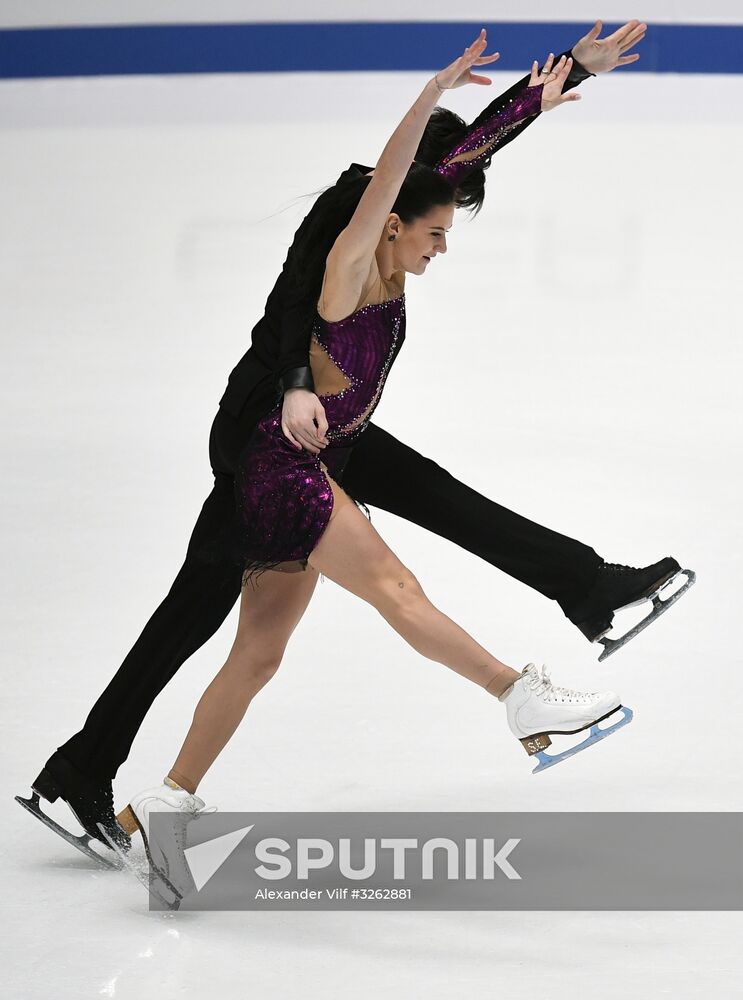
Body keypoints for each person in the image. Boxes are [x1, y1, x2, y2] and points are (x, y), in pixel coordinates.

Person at [19, 20, 685, 865]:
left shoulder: (394, 233)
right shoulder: (354, 240)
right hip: (271, 435)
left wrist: (555, 85)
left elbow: (456, 163)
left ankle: (148, 800)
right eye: (438, 225)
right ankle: (523, 690)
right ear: (400, 208)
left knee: (253, 636)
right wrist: (432, 96)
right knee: (346, 589)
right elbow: (413, 181)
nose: (446, 241)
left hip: (328, 434)